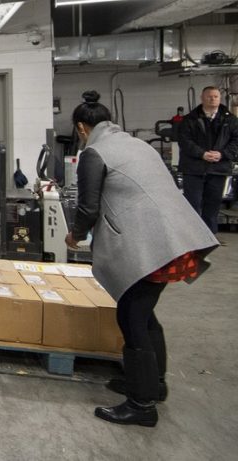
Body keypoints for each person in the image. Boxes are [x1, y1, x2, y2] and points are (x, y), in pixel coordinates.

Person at [65, 90, 218, 428]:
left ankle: (141, 404)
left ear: (82, 128)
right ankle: (153, 384)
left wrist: (74, 236)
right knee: (143, 313)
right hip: (174, 238)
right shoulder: (136, 143)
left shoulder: (95, 151)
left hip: (150, 246)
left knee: (132, 317)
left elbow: (88, 207)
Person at [177, 86, 238, 241]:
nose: (213, 99)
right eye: (209, 96)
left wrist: (222, 154)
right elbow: (185, 141)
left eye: (216, 96)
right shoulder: (189, 120)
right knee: (193, 203)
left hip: (218, 168)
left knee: (213, 203)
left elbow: (236, 141)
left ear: (220, 99)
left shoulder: (230, 120)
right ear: (202, 98)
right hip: (194, 168)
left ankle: (210, 236)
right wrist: (202, 154)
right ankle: (192, 236)